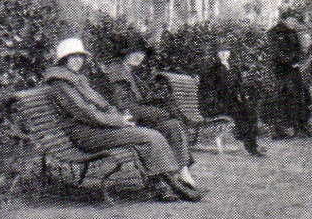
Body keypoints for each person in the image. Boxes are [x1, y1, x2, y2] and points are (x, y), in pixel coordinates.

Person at [42, 38, 202, 202]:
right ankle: (172, 184)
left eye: (80, 56)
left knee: (149, 134)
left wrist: (118, 117)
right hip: (84, 134)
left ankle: (167, 183)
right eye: (71, 57)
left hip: (98, 127)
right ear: (63, 59)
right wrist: (118, 121)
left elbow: (103, 104)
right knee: (149, 136)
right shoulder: (60, 83)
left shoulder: (77, 78)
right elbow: (83, 112)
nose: (77, 60)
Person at [95, 35, 200, 188]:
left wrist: (161, 105)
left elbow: (140, 100)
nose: (139, 56)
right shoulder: (117, 73)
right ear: (125, 53)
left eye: (142, 53)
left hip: (135, 120)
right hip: (122, 122)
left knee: (172, 124)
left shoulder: (129, 72)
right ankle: (171, 178)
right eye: (134, 52)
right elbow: (124, 106)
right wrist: (157, 113)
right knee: (170, 125)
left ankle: (179, 174)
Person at [200, 44, 262, 156]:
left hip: (234, 101)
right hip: (220, 102)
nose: (223, 54)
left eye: (226, 51)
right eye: (220, 51)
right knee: (240, 116)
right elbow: (209, 88)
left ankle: (253, 144)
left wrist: (243, 99)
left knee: (251, 113)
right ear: (217, 54)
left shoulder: (234, 68)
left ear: (229, 53)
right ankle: (251, 147)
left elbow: (239, 86)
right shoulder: (213, 69)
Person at [264, 8, 311, 137]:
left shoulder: (293, 32)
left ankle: (299, 127)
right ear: (284, 19)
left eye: (295, 21)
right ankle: (278, 130)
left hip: (293, 69)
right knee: (280, 99)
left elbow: (298, 50)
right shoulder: (274, 32)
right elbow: (275, 53)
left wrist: (295, 59)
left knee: (299, 97)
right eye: (291, 20)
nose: (293, 23)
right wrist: (290, 60)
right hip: (279, 71)